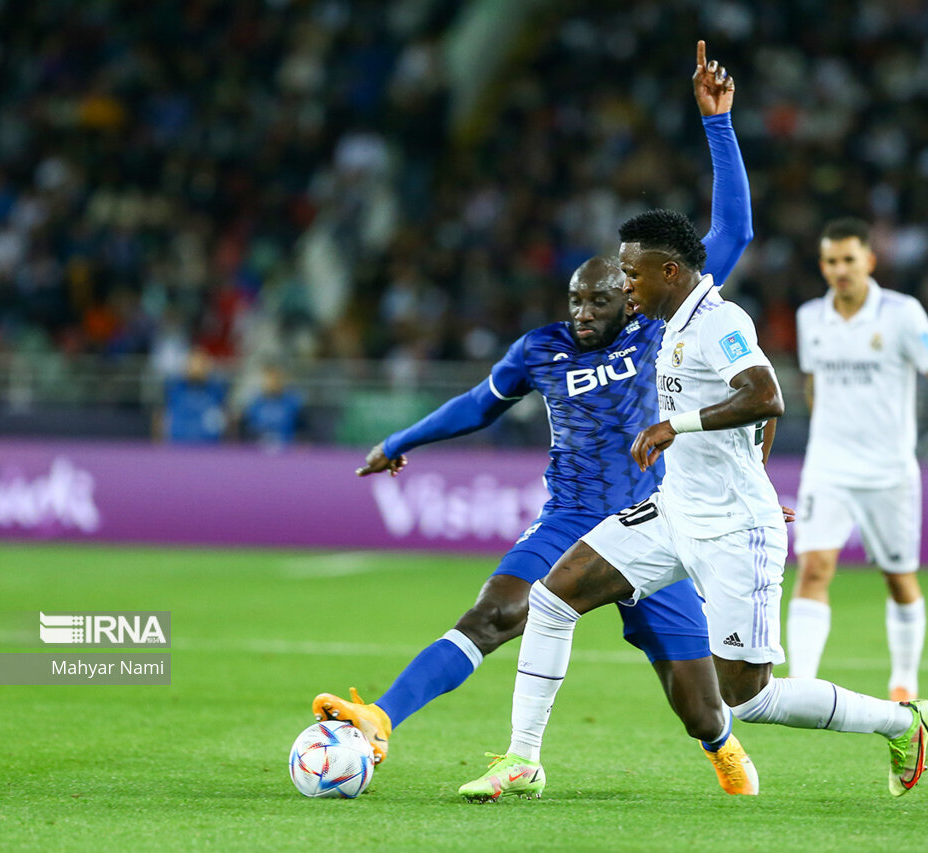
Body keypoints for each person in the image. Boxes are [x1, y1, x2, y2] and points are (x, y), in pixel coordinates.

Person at [313, 42, 770, 796]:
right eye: (575, 301)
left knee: (699, 704)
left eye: (599, 299)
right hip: (571, 517)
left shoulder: (664, 326)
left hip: (659, 518)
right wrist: (401, 440)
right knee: (495, 612)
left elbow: (735, 231)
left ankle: (722, 747)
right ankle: (382, 720)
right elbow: (477, 407)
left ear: (631, 293)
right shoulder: (541, 350)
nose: (584, 312)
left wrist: (717, 125)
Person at [458, 208, 928, 803]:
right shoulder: (671, 324)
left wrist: (677, 429)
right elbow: (748, 414)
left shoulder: (718, 321)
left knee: (749, 697)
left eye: (631, 275)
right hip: (674, 513)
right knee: (553, 597)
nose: (624, 287)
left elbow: (765, 395)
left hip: (735, 532)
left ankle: (903, 722)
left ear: (668, 271)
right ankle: (523, 758)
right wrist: (751, 472)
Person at [787, 218, 928, 702]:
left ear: (870, 260)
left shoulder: (902, 313)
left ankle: (904, 679)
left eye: (849, 259)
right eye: (831, 261)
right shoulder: (810, 318)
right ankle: (802, 685)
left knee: (899, 578)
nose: (840, 269)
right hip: (827, 466)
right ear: (822, 266)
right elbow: (813, 382)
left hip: (888, 471)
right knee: (814, 567)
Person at [158, 347, 228, 444]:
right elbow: (161, 416)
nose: (197, 368)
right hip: (178, 447)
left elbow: (225, 417)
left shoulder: (216, 390)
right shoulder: (174, 388)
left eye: (201, 364)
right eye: (193, 363)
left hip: (210, 448)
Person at [242, 362, 304, 448]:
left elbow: (302, 426)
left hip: (286, 446)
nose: (273, 382)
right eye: (270, 379)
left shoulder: (291, 401)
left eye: (277, 379)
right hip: (258, 446)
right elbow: (249, 426)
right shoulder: (256, 402)